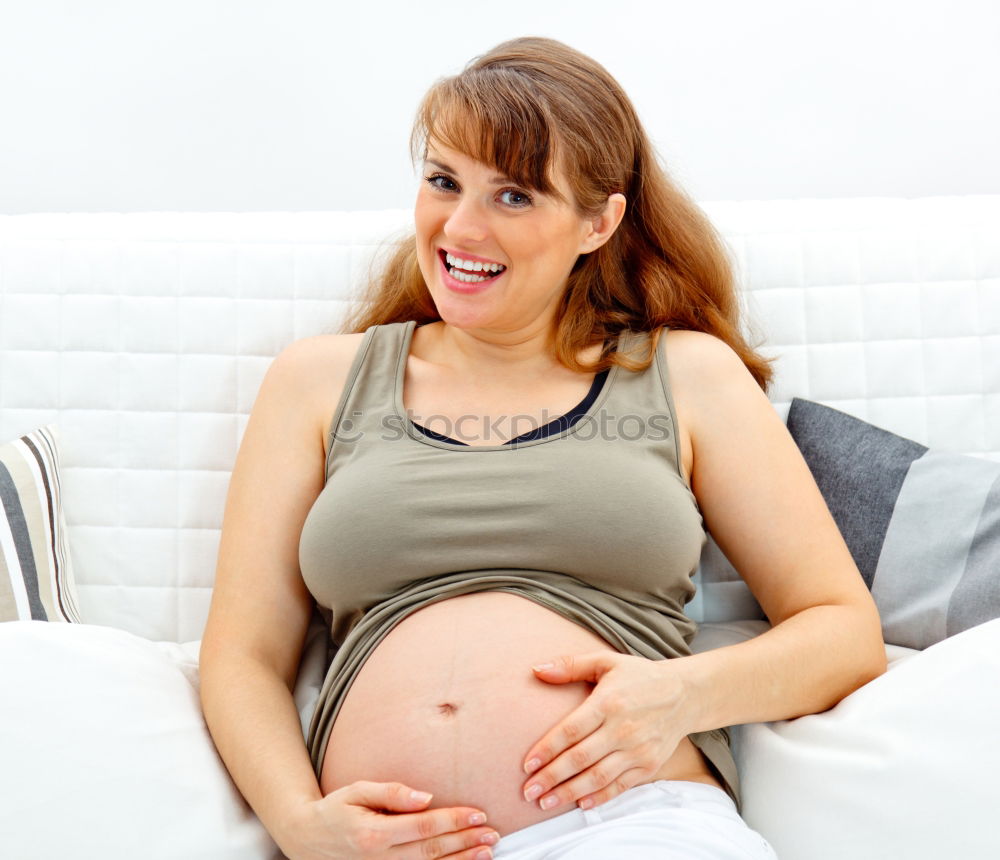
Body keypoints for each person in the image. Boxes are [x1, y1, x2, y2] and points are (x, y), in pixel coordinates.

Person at [199, 36, 886, 860]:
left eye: (514, 196)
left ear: (599, 221)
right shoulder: (317, 381)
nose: (460, 226)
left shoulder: (686, 375)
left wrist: (678, 696)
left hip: (632, 825)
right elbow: (242, 656)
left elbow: (843, 631)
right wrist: (300, 824)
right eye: (443, 181)